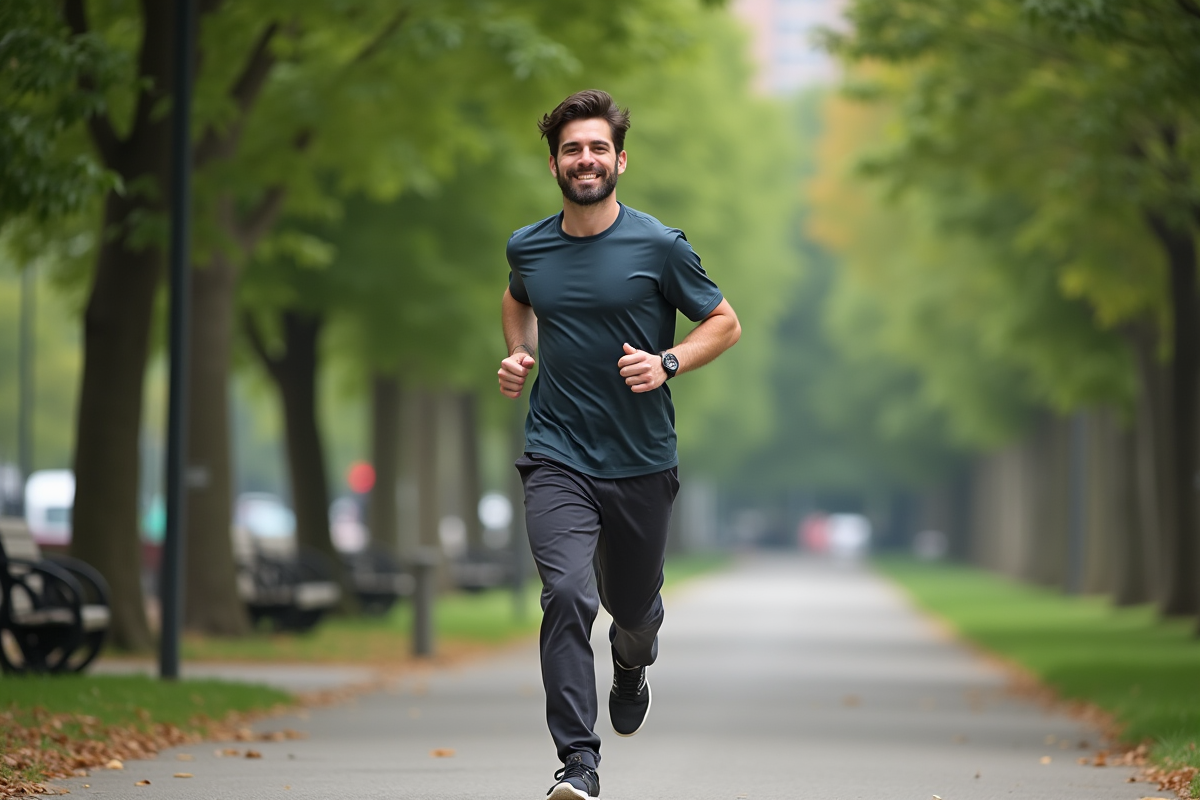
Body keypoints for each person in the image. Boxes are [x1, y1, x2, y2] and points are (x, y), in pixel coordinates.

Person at [497, 89, 741, 800]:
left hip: (640, 460)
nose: (585, 159)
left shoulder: (659, 246)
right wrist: (519, 353)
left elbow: (723, 322)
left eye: (597, 147)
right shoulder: (529, 245)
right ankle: (578, 762)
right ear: (555, 165)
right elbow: (518, 297)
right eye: (572, 148)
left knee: (631, 612)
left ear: (620, 160)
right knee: (567, 595)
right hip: (556, 453)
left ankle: (632, 663)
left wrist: (668, 362)